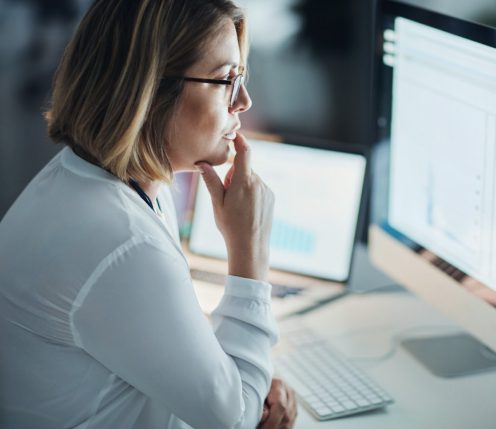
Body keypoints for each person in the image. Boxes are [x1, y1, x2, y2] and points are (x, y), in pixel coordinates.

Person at [0, 1, 298, 428]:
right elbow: (235, 421)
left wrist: (245, 376)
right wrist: (249, 252)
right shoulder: (119, 239)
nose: (244, 102)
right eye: (225, 80)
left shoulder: (107, 180)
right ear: (150, 90)